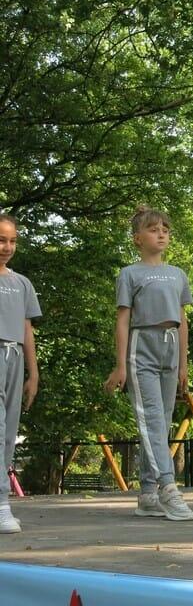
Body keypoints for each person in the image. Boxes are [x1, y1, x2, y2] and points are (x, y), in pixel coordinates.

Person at [105, 206, 193, 521]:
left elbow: (182, 320)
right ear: (137, 239)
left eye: (165, 230)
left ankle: (147, 494)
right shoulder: (130, 274)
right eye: (154, 229)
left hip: (171, 348)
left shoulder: (177, 274)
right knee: (153, 419)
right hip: (142, 345)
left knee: (162, 421)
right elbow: (122, 320)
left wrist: (183, 364)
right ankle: (169, 489)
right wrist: (121, 366)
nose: (161, 235)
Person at [0, 213, 42, 534]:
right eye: (1, 240)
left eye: (13, 241)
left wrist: (33, 373)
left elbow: (27, 329)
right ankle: (2, 503)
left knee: (9, 431)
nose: (7, 247)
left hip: (14, 357)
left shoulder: (22, 283)